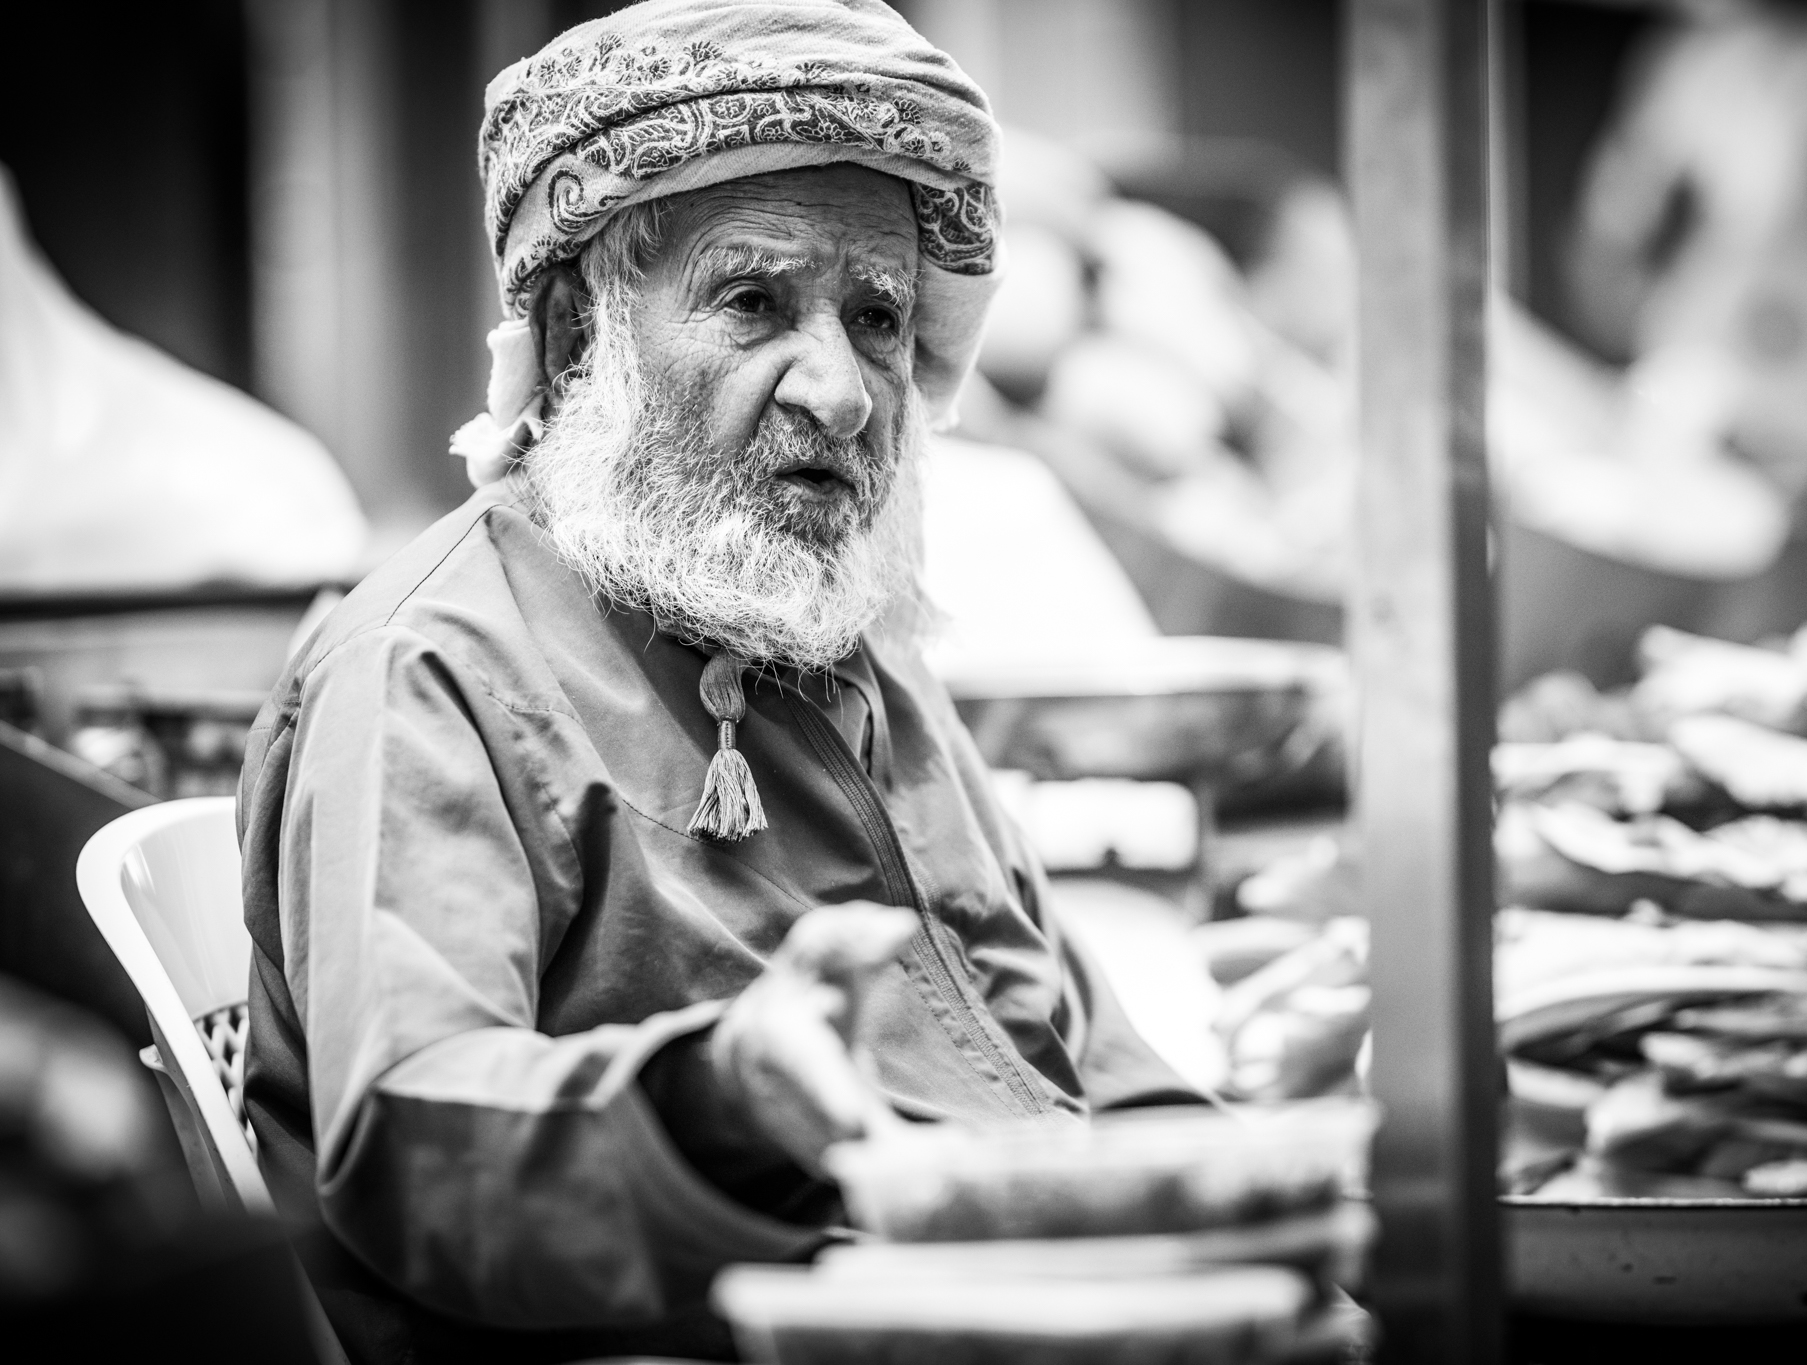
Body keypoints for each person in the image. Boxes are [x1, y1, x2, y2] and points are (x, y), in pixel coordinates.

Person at [235, 4, 1199, 1361]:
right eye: (753, 302)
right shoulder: (430, 666)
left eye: (877, 318)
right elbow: (419, 1142)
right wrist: (721, 1101)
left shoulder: (851, 648)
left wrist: (1256, 1205)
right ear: (576, 334)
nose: (844, 392)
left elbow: (1078, 1055)